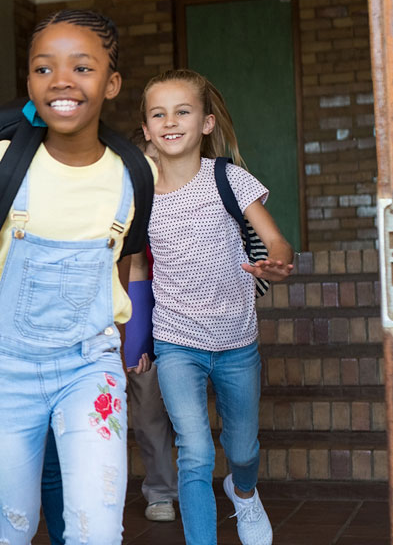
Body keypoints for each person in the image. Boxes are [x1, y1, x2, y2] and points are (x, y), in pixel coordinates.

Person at [0, 9, 156, 545]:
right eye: (44, 69)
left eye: (82, 68)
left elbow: (122, 260)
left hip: (90, 368)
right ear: (28, 81)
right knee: (9, 527)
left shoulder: (134, 174)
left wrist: (123, 336)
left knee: (97, 529)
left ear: (111, 83)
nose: (62, 81)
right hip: (3, 369)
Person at [140, 69, 295, 545]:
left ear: (206, 123)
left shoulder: (228, 178)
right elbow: (132, 269)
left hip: (236, 341)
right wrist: (133, 337)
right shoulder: (138, 193)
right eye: (158, 114)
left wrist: (276, 264)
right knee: (195, 453)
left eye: (182, 111)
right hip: (176, 343)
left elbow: (276, 242)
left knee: (242, 450)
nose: (170, 121)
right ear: (145, 128)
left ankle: (244, 494)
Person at [123, 133, 179, 523]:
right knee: (137, 410)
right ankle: (155, 491)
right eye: (147, 164)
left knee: (157, 412)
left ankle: (168, 489)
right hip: (122, 312)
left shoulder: (182, 205)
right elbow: (133, 268)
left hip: (167, 317)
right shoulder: (123, 205)